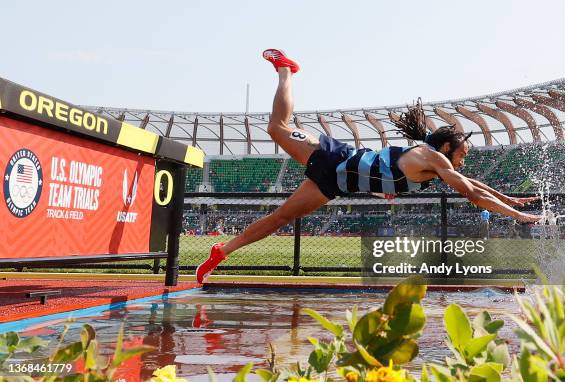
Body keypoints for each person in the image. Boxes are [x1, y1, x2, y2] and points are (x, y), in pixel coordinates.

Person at [195, 49, 542, 283]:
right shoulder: (435, 159)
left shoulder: (437, 163)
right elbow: (471, 193)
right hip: (331, 156)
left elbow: (474, 186)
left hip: (333, 184)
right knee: (276, 129)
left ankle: (220, 251)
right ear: (448, 148)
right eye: (462, 153)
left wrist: (511, 200)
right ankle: (286, 70)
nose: (464, 160)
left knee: (281, 217)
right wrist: (518, 216)